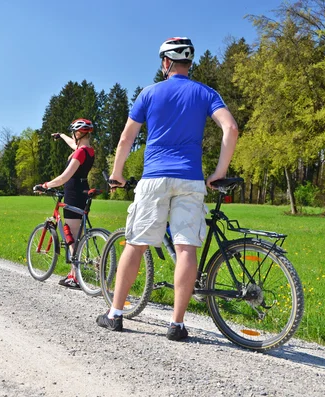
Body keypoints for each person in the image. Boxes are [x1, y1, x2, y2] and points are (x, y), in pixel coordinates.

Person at [95, 37, 239, 340]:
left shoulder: (149, 93)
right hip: (190, 179)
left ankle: (115, 314)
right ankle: (177, 324)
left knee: (136, 244)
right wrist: (219, 171)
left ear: (165, 63)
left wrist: (117, 173)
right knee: (186, 248)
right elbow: (231, 128)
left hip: (154, 179)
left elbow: (125, 139)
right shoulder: (205, 93)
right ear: (189, 63)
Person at [35, 118, 95, 289]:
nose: (71, 136)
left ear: (78, 133)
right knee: (75, 236)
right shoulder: (88, 151)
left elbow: (64, 177)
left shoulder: (79, 153)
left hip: (73, 193)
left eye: (72, 133)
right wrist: (61, 136)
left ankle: (75, 276)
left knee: (71, 237)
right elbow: (73, 144)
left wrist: (45, 185)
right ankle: (73, 274)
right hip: (83, 191)